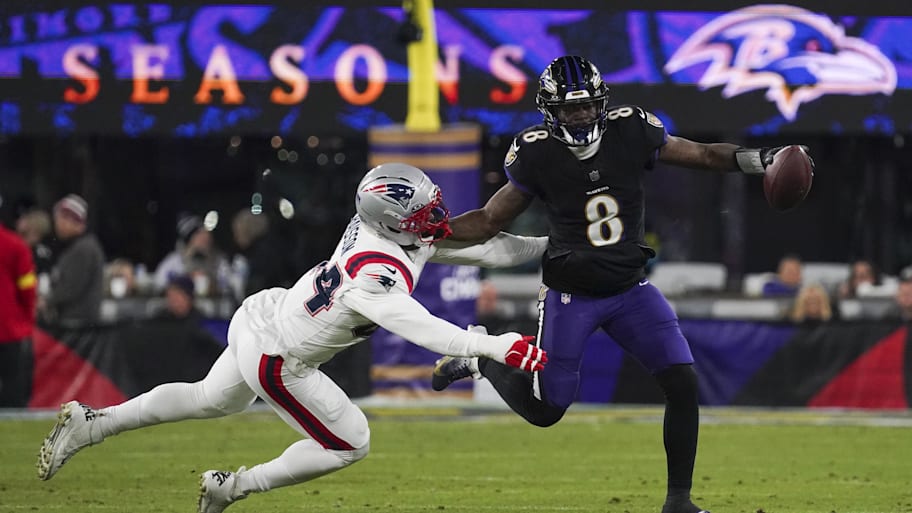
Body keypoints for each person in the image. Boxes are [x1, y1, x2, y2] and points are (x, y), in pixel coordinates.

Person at [36, 163, 549, 513]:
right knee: (351, 442)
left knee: (207, 397)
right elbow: (418, 325)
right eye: (424, 214)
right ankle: (235, 487)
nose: (435, 218)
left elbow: (487, 249)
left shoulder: (393, 232)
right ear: (395, 224)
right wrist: (492, 345)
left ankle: (94, 424)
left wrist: (558, 244)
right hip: (281, 357)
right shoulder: (375, 272)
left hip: (265, 313)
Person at [430, 55, 815, 513]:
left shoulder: (631, 130)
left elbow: (704, 154)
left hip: (631, 290)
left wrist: (762, 159)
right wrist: (427, 232)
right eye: (569, 109)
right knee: (546, 410)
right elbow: (489, 219)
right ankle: (480, 358)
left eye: (586, 106)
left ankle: (678, 502)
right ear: (550, 112)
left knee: (683, 382)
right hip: (571, 295)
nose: (580, 116)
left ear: (602, 103)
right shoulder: (537, 153)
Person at [40, 194, 105, 326]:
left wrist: (46, 301)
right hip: (76, 323)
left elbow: (69, 288)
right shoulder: (78, 246)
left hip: (77, 326)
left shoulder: (83, 249)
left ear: (71, 220)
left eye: (59, 219)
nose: (57, 224)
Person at [0, 223, 37, 407]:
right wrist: (27, 320)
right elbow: (28, 288)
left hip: (10, 328)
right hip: (10, 330)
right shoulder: (15, 245)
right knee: (13, 394)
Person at [153, 213, 231, 297]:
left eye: (207, 234)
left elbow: (230, 286)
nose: (206, 238)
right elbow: (158, 284)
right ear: (189, 239)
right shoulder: (173, 261)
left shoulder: (220, 260)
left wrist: (213, 284)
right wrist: (186, 280)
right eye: (199, 235)